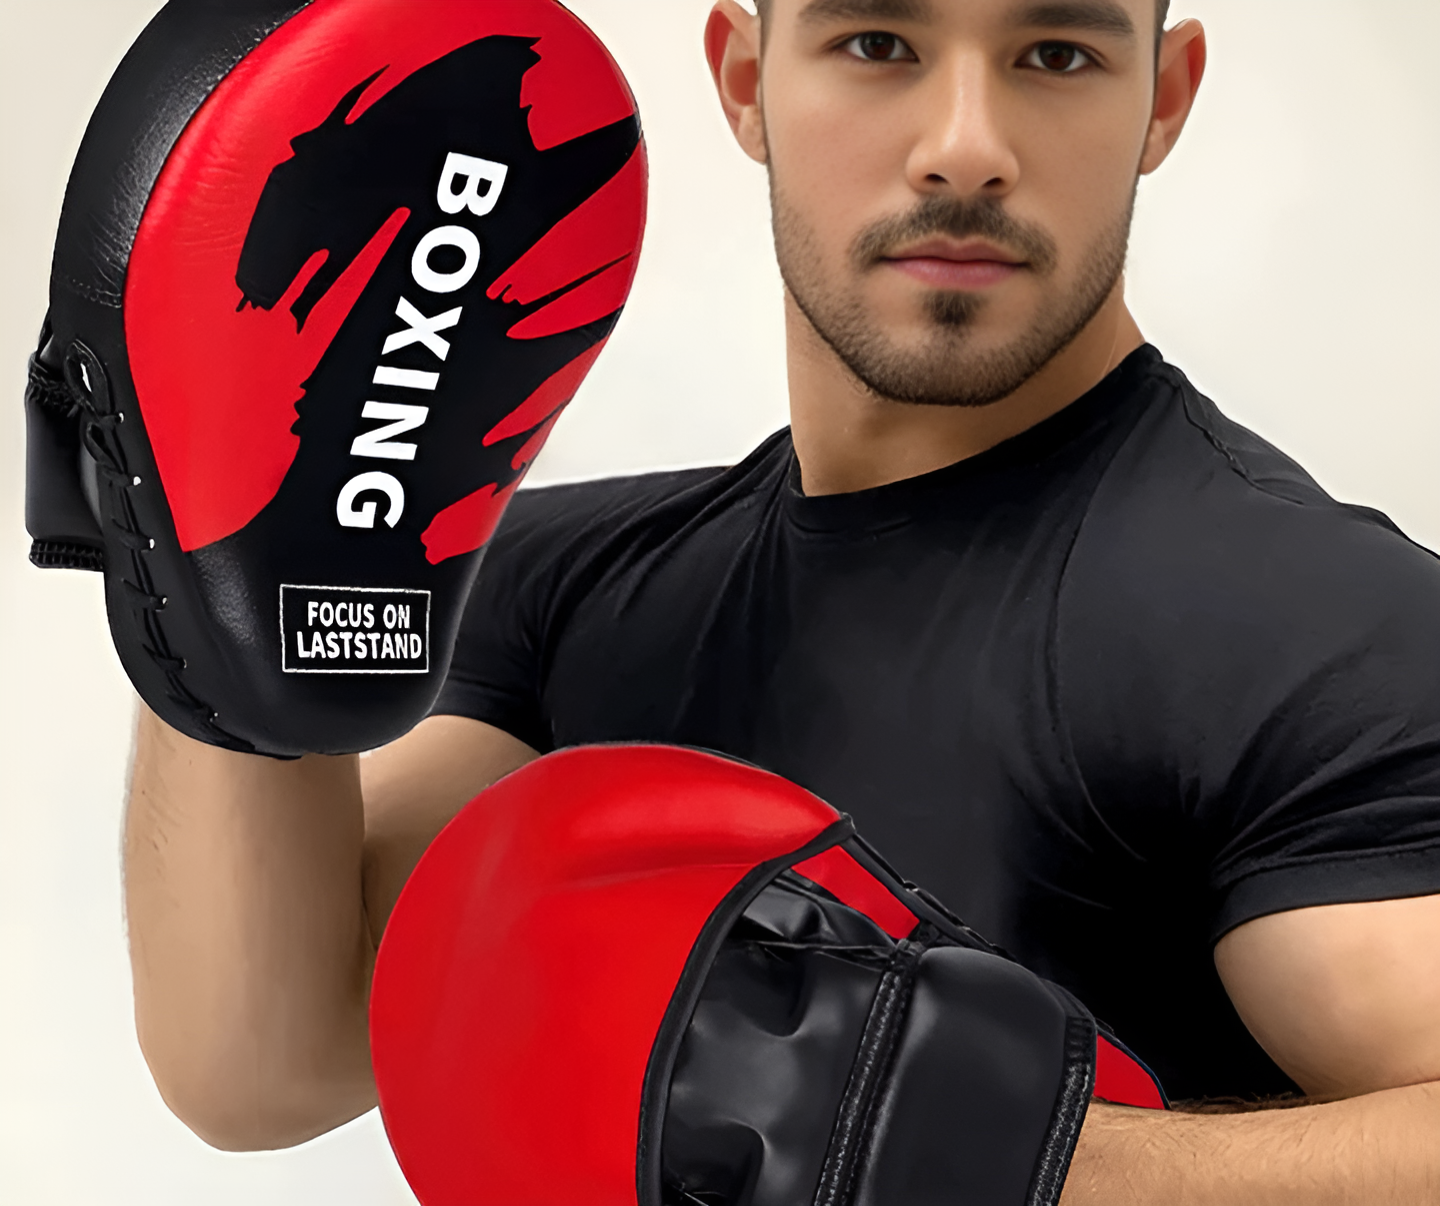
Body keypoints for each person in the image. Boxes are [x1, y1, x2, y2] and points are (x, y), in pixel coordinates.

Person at [124, 0, 1440, 1199]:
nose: (965, 147)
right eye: (878, 45)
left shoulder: (1296, 620)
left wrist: (1038, 1160)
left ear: (1161, 96)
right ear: (745, 79)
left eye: (1056, 55)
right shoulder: (560, 583)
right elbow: (263, 1064)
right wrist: (211, 534)